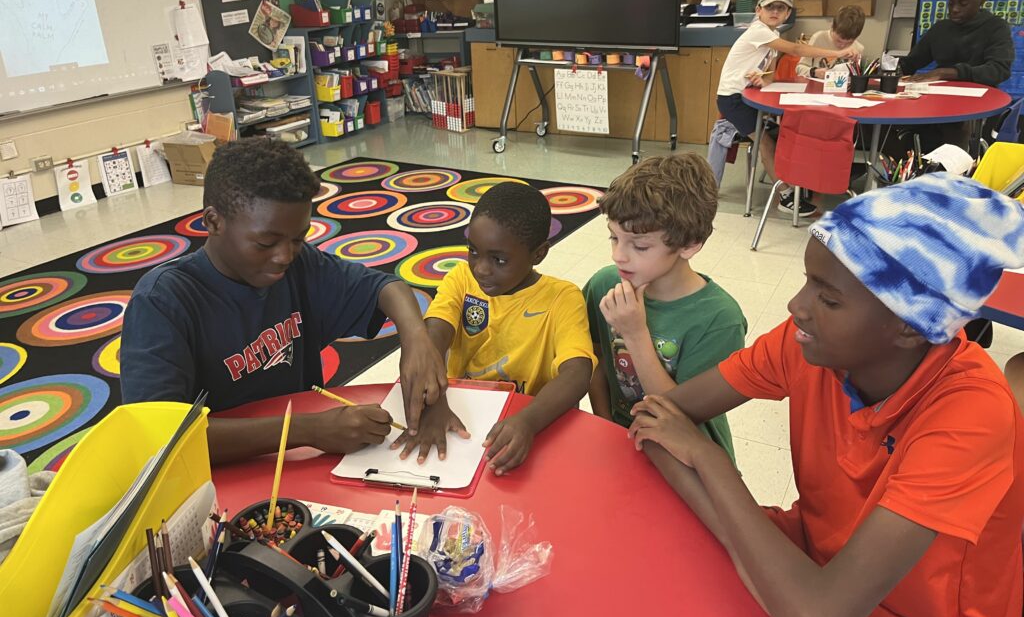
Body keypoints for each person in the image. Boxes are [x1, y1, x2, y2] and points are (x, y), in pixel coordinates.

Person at [627, 173, 1024, 617]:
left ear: (909, 328)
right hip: (808, 573)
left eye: (829, 298)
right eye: (808, 283)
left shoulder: (971, 413)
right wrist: (743, 543)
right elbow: (656, 420)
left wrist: (707, 461)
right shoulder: (808, 344)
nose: (797, 307)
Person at [121, 139, 448, 465]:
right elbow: (160, 437)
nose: (284, 256)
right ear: (213, 221)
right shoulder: (163, 302)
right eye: (266, 242)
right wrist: (308, 430)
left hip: (295, 460)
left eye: (298, 238)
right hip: (209, 478)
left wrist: (416, 338)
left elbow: (384, 288)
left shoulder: (300, 265)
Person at [392, 182, 595, 475]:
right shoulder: (461, 278)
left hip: (530, 420)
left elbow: (577, 374)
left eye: (499, 260)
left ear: (538, 254)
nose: (481, 269)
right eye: (473, 252)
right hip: (462, 413)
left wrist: (528, 422)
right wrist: (434, 402)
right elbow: (433, 337)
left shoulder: (563, 298)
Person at [584, 154, 744, 461]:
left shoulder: (720, 319)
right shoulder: (606, 285)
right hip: (620, 444)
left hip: (686, 458)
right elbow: (595, 361)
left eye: (640, 246)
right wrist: (605, 427)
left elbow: (679, 414)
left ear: (690, 244)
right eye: (613, 237)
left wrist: (635, 333)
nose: (619, 255)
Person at [710, 0, 858, 216]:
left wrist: (761, 78)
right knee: (766, 142)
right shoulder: (759, 31)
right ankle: (787, 196)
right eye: (770, 7)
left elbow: (766, 73)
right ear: (758, 10)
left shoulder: (772, 34)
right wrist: (837, 54)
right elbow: (797, 50)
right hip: (732, 99)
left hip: (744, 95)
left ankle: (800, 185)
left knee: (785, 133)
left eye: (781, 8)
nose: (775, 12)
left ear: (788, 13)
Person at [900, 0, 1014, 151]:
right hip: (939, 102)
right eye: (951, 3)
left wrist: (947, 72)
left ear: (981, 1)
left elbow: (998, 70)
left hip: (976, 106)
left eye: (963, 4)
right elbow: (911, 63)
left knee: (956, 135)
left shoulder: (996, 28)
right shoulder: (941, 28)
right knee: (904, 130)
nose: (954, 9)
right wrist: (891, 69)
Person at [795, 5, 866, 80]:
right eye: (838, 40)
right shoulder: (819, 38)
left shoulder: (858, 48)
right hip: (817, 88)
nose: (842, 46)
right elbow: (799, 68)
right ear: (832, 27)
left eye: (849, 42)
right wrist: (814, 72)